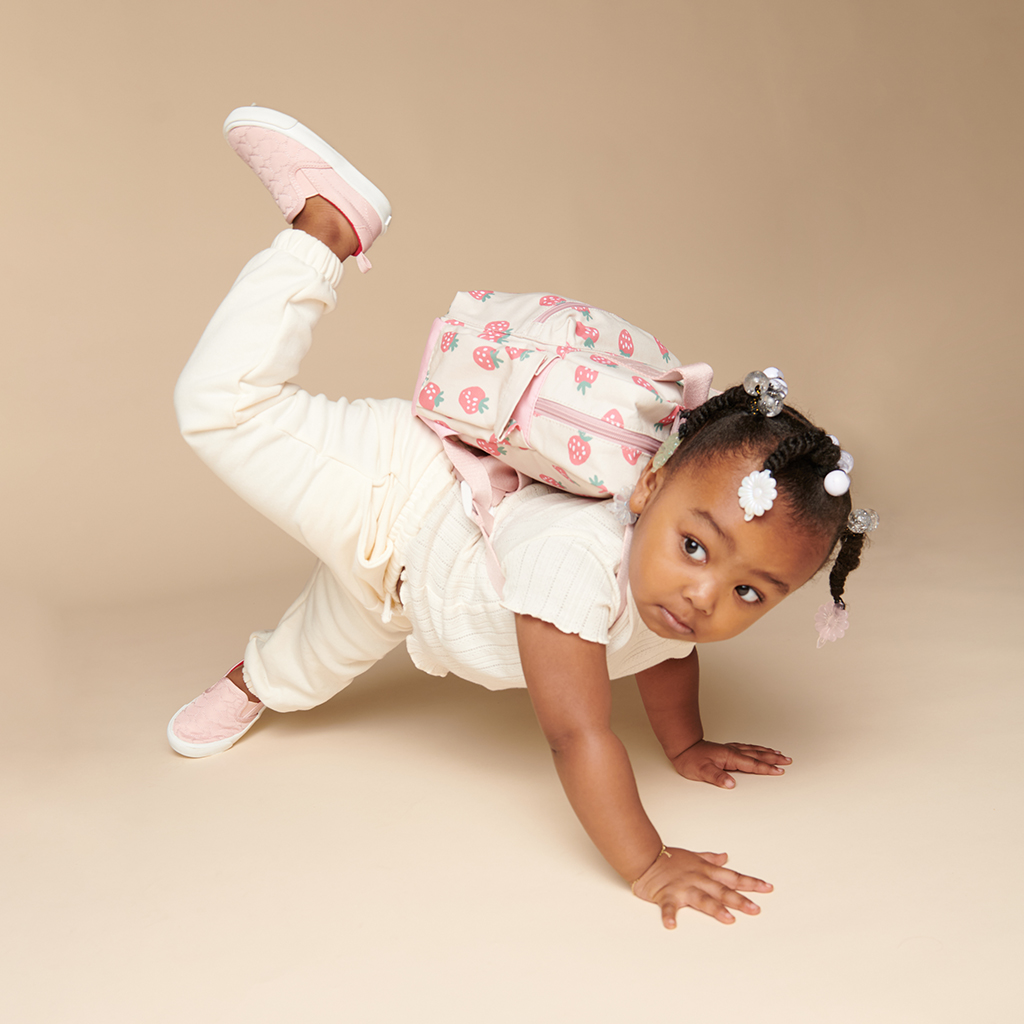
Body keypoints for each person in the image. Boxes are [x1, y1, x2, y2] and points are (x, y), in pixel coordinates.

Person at [168, 106, 875, 929]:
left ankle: (254, 680)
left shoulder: (674, 592)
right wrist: (647, 865)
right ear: (645, 489)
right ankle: (326, 227)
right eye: (694, 547)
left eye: (751, 594)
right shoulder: (577, 563)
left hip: (406, 601)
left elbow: (668, 654)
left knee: (313, 657)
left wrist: (685, 746)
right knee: (219, 408)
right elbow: (579, 736)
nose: (703, 597)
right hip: (401, 494)